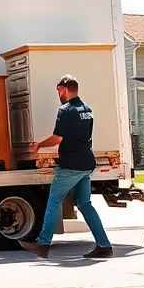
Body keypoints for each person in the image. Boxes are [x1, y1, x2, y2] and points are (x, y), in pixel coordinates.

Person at [18, 75, 113, 259]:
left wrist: (39, 145)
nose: (58, 94)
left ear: (65, 88)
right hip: (86, 163)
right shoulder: (88, 110)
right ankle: (104, 245)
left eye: (59, 90)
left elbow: (58, 138)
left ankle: (43, 244)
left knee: (54, 201)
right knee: (85, 204)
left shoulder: (66, 110)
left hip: (71, 165)